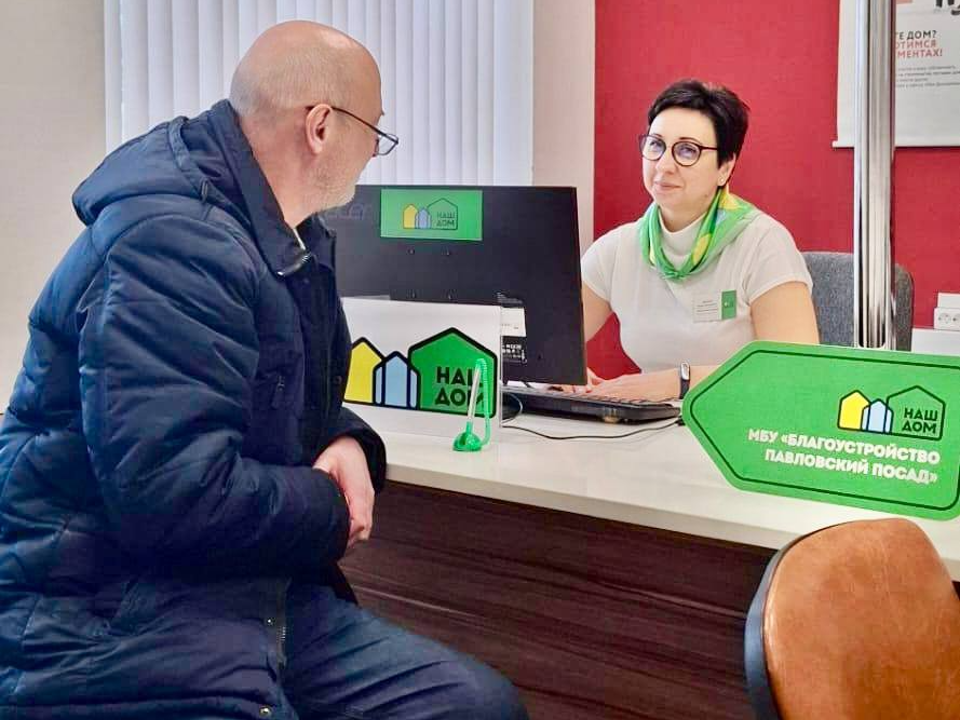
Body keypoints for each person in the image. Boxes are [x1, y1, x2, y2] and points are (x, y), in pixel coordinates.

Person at [0, 21, 527, 720]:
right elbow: (175, 500)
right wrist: (333, 508)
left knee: (476, 705)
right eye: (375, 133)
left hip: (240, 590)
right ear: (321, 127)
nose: (374, 155)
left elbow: (266, 391)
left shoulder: (276, 231)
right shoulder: (176, 243)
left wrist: (345, 439)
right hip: (109, 613)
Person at [576, 79, 819, 401]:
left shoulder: (763, 244)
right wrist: (557, 373)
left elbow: (796, 371)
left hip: (738, 422)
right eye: (656, 145)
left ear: (725, 168)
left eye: (687, 150)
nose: (664, 165)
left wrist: (679, 382)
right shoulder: (618, 249)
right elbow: (544, 344)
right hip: (648, 424)